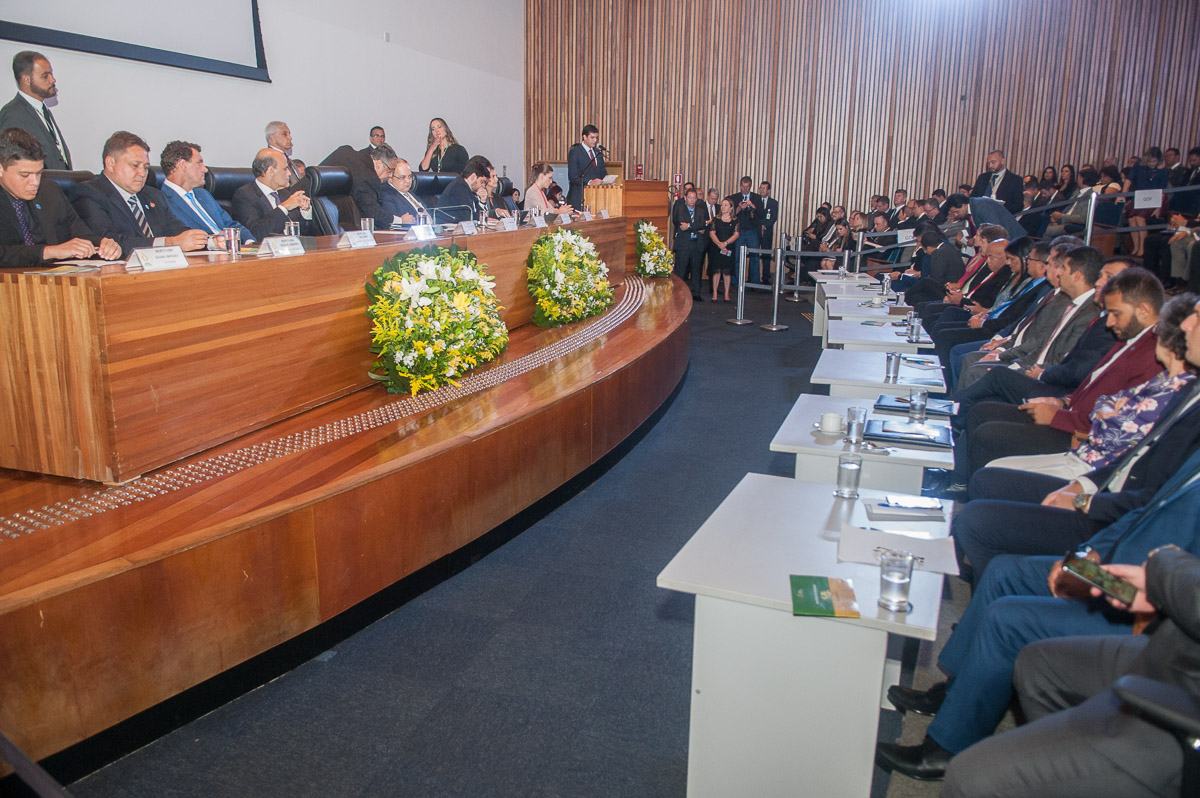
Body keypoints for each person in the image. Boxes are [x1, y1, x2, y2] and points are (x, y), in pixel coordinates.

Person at [875, 442, 1200, 782]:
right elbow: (1148, 509)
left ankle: (946, 746)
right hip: (1119, 572)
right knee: (1003, 572)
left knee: (1008, 620)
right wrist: (1086, 556)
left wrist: (1145, 582)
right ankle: (957, 692)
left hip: (1162, 616)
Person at [940, 545, 1200, 797]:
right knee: (1037, 663)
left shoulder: (1170, 552)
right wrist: (1083, 555)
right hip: (1177, 644)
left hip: (1185, 704)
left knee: (967, 779)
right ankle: (1057, 772)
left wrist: (1165, 561)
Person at [980, 294, 1196, 483]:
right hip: (1079, 438)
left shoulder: (1168, 382)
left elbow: (1110, 433)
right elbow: (1104, 403)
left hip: (1089, 461)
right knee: (987, 426)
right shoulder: (1161, 377)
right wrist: (1070, 403)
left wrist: (1067, 414)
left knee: (991, 468)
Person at [73, 131, 208, 257]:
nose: (142, 173)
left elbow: (180, 232)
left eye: (146, 167)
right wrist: (170, 243)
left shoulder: (153, 195)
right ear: (110, 163)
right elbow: (108, 242)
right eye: (135, 165)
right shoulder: (90, 193)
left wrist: (211, 242)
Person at [0, 127, 119, 268]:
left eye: (38, 173)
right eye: (25, 175)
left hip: (52, 277)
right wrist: (49, 252)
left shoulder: (50, 191)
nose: (35, 182)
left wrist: (103, 245)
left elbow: (81, 236)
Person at [158, 140, 254, 243]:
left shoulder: (203, 194)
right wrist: (215, 241)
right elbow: (182, 237)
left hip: (235, 249)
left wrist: (250, 243)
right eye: (199, 163)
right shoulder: (161, 200)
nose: (205, 169)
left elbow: (231, 225)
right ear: (183, 165)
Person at [0, 51, 71, 170]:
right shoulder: (13, 113)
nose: (53, 80)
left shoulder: (42, 111)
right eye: (45, 76)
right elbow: (11, 163)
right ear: (27, 80)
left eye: (51, 74)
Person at [264, 120, 336, 235]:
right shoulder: (268, 159)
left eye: (289, 134)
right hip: (283, 209)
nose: (290, 137)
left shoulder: (291, 162)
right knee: (314, 179)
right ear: (272, 137)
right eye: (285, 134)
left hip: (300, 209)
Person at [230, 148, 315, 240]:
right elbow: (255, 234)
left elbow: (306, 235)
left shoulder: (285, 193)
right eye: (285, 169)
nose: (289, 173)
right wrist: (284, 207)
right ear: (271, 171)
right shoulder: (245, 196)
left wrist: (305, 212)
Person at [1123, 146, 1169, 257]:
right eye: (1149, 161)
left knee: (1139, 218)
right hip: (1141, 196)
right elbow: (1129, 179)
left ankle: (1143, 249)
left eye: (1154, 161)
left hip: (1156, 199)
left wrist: (1158, 207)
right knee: (1131, 218)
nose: (1151, 164)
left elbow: (1163, 190)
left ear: (1158, 160)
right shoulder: (1139, 164)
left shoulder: (1163, 170)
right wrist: (1123, 194)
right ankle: (1136, 247)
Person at [354, 144, 410, 229]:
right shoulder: (367, 180)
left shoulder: (359, 163)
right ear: (379, 164)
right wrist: (401, 221)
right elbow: (373, 213)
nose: (390, 176)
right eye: (390, 171)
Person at [672, 187, 708, 301]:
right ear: (685, 198)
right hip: (683, 245)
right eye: (690, 197)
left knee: (696, 270)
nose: (692, 200)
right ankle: (677, 292)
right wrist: (696, 228)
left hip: (697, 244)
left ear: (697, 199)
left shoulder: (701, 210)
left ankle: (696, 293)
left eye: (694, 198)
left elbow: (703, 224)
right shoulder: (680, 209)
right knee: (680, 270)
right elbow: (682, 225)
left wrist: (689, 226)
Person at [727, 176, 764, 284]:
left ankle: (755, 283)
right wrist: (739, 208)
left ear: (750, 186)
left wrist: (752, 205)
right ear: (740, 186)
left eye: (747, 187)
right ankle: (736, 282)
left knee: (754, 257)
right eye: (743, 187)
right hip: (738, 231)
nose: (745, 189)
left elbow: (762, 214)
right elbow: (729, 215)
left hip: (752, 231)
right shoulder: (734, 198)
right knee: (737, 257)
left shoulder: (757, 198)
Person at [435, 155, 493, 224]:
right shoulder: (459, 187)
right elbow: (468, 219)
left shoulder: (469, 190)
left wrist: (482, 201)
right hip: (446, 230)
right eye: (482, 182)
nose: (483, 186)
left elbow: (477, 218)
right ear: (473, 177)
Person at [970, 149, 1024, 215]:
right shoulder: (982, 178)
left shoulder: (1015, 180)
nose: (990, 166)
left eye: (993, 162)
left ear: (1002, 161)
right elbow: (973, 198)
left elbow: (1018, 205)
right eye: (988, 163)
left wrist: (1000, 208)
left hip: (1001, 217)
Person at [566, 124, 607, 210]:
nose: (595, 140)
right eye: (592, 137)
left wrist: (608, 180)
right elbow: (573, 176)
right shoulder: (575, 152)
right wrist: (589, 182)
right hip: (581, 196)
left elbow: (603, 172)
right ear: (584, 137)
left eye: (596, 137)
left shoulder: (598, 153)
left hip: (597, 196)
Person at [379, 158, 428, 224]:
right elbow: (391, 223)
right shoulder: (386, 195)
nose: (408, 181)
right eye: (402, 177)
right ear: (390, 177)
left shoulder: (410, 193)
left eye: (410, 176)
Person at [708, 198, 738, 302]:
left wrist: (725, 243)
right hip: (716, 248)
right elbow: (711, 233)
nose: (723, 207)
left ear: (731, 208)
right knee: (716, 271)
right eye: (722, 205)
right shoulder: (716, 219)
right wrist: (719, 244)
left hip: (729, 247)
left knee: (727, 271)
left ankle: (726, 293)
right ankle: (715, 293)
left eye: (726, 205)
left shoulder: (735, 220)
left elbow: (736, 234)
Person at [759, 180, 779, 281]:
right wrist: (759, 226)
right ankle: (752, 278)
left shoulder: (773, 203)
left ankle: (766, 278)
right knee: (753, 254)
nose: (762, 190)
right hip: (756, 231)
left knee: (766, 255)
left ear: (768, 190)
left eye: (764, 188)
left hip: (767, 232)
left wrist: (764, 226)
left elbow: (773, 217)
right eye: (761, 188)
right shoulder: (755, 201)